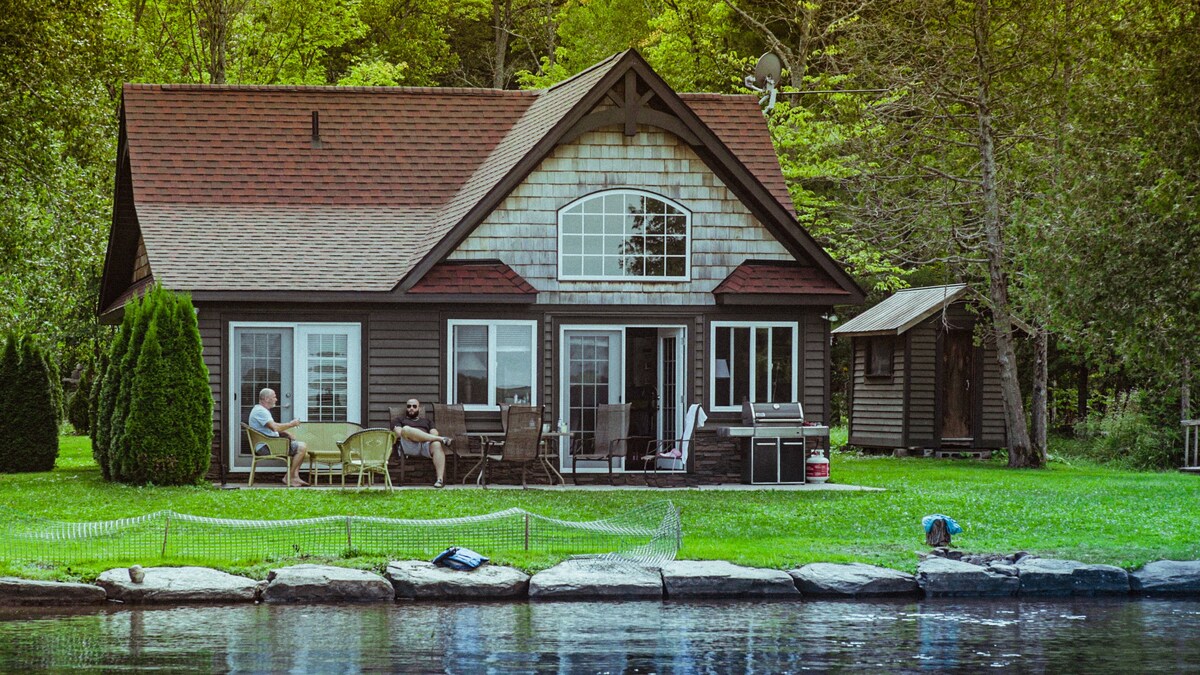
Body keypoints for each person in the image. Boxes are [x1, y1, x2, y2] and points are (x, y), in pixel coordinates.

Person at [248, 388, 309, 487]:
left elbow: (271, 428)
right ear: (267, 399)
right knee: (301, 447)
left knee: (299, 448)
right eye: (274, 397)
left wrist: (286, 433)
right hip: (267, 447)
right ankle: (289, 477)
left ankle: (295, 477)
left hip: (268, 444)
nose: (276, 399)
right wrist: (291, 424)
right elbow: (275, 427)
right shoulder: (261, 412)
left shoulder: (260, 410)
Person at [392, 398, 452, 488]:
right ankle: (442, 439)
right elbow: (399, 433)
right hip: (409, 445)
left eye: (414, 406)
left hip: (425, 445)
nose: (411, 408)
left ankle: (440, 480)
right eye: (409, 406)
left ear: (419, 409)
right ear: (406, 408)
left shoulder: (427, 421)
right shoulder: (399, 420)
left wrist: (422, 437)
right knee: (406, 429)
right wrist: (415, 435)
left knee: (437, 444)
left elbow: (434, 433)